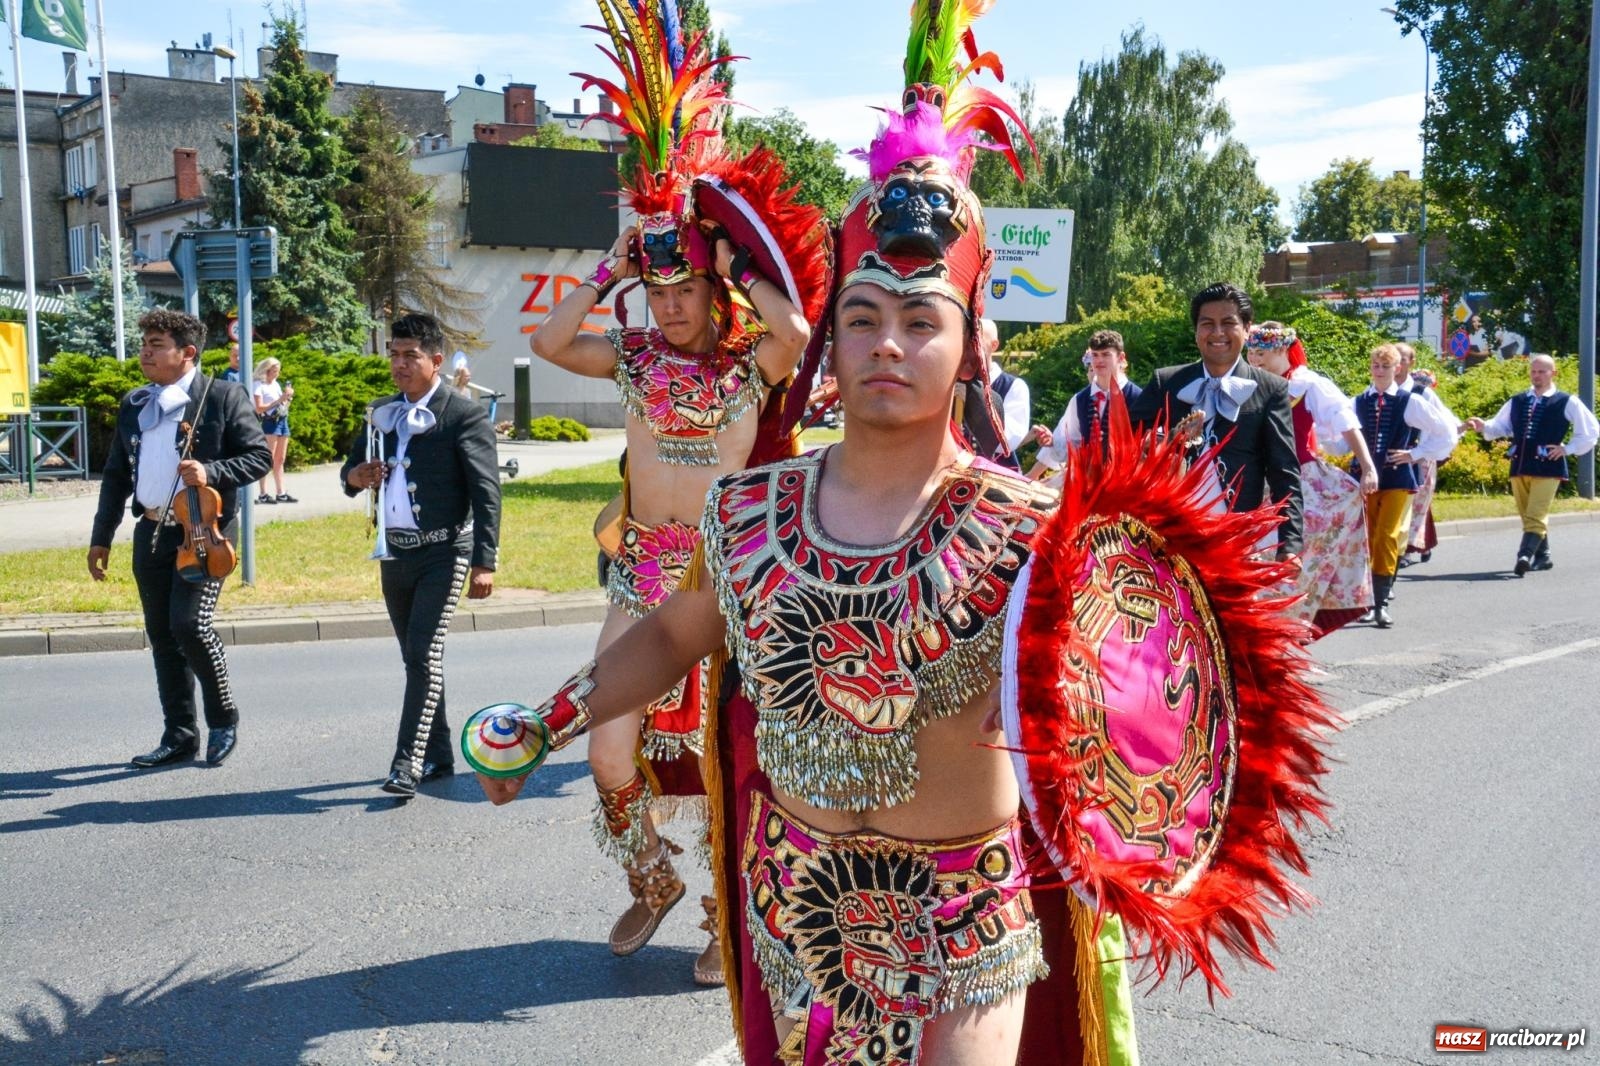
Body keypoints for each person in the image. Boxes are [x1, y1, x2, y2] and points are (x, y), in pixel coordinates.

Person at [468, 11, 1334, 1061]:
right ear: (829, 340)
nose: (889, 342)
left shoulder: (1031, 526)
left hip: (968, 922)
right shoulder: (749, 511)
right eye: (864, 315)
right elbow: (671, 634)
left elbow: (1151, 717)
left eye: (922, 319)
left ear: (970, 344)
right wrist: (547, 717)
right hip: (797, 915)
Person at [524, 3, 828, 987]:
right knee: (607, 749)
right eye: (656, 294)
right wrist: (608, 270)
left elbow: (801, 332)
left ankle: (721, 920)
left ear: (714, 289)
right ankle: (648, 877)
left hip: (730, 583)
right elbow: (546, 342)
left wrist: (742, 262)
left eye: (684, 289)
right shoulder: (631, 353)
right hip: (642, 573)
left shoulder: (754, 359)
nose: (670, 305)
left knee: (730, 769)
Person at [87, 309, 271, 768]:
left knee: (190, 625)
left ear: (187, 353)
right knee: (163, 636)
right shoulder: (136, 403)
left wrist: (212, 470)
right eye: (145, 343)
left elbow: (257, 459)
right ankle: (180, 734)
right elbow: (115, 475)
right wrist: (101, 537)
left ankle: (223, 717)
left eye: (156, 345)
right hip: (151, 529)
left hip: (203, 532)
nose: (145, 352)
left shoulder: (224, 396)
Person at [340, 312, 502, 798]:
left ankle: (407, 762)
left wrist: (485, 560)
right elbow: (348, 473)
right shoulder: (381, 411)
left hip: (445, 551)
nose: (399, 363)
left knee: (423, 652)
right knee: (417, 658)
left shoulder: (463, 414)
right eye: (393, 353)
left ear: (435, 360)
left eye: (409, 355)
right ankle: (439, 753)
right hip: (395, 554)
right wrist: (357, 477)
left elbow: (486, 491)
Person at [1129, 282, 1304, 560]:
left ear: (1247, 329)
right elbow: (1123, 446)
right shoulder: (1166, 382)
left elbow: (1285, 472)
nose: (1218, 332)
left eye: (1228, 323)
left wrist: (1290, 545)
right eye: (1207, 323)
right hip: (1165, 539)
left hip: (1236, 541)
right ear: (1196, 331)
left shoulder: (1271, 389)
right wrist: (1168, 442)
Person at [1244, 323, 1376, 638]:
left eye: (1260, 353)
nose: (1254, 359)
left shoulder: (1306, 384)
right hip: (1253, 481)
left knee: (1294, 554)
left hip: (1298, 480)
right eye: (1250, 352)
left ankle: (1290, 621)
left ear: (1280, 350)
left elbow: (1344, 420)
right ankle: (1261, 627)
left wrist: (1368, 467)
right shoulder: (1245, 383)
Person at [1329, 343, 1456, 628]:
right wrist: (1315, 437)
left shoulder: (1409, 401)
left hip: (1398, 478)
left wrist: (1416, 453)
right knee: (1368, 538)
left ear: (1397, 368)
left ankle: (1380, 603)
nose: (1380, 371)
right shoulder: (1358, 402)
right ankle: (1369, 597)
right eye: (1376, 366)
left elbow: (1445, 432)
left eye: (1386, 366)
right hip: (1364, 478)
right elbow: (1339, 442)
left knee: (1386, 535)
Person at [1464, 354, 1598, 575]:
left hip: (1548, 466)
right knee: (1528, 515)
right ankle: (1543, 556)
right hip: (1520, 464)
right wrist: (1483, 426)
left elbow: (1590, 430)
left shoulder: (1566, 400)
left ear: (1553, 373)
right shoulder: (1518, 400)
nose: (1537, 376)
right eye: (1534, 371)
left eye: (1542, 371)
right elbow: (1501, 427)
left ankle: (1523, 556)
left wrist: (1567, 449)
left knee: (1536, 513)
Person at [1026, 329, 1142, 486]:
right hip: (1087, 486)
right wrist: (1052, 442)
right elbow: (1072, 442)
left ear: (1121, 358)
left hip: (1127, 486)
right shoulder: (1080, 399)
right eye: (1095, 355)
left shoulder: (1137, 397)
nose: (1099, 360)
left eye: (1106, 354)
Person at [1394, 342, 1458, 566]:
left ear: (1411, 363)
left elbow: (1445, 424)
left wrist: (1424, 451)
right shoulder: (1382, 387)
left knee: (1417, 501)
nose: (1397, 363)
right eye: (1394, 357)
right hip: (1391, 455)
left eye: (1402, 358)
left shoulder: (1423, 393)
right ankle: (1412, 544)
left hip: (1420, 454)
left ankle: (1407, 549)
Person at [252, 357, 296, 504]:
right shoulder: (259, 385)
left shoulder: (276, 384)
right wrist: (279, 400)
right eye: (274, 371)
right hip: (269, 422)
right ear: (267, 370)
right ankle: (263, 493)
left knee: (280, 459)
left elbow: (281, 404)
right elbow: (259, 408)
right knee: (268, 458)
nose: (277, 374)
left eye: (278, 371)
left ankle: (281, 492)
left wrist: (287, 398)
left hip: (282, 420)